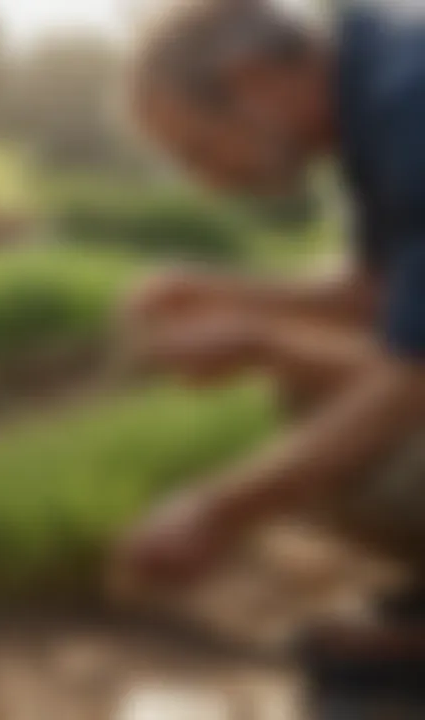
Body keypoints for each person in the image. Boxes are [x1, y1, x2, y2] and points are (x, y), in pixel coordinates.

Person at [113, 0, 425, 690]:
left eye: (198, 148)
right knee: (316, 401)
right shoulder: (375, 92)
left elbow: (412, 374)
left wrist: (216, 510)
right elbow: (387, 295)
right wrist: (234, 296)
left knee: (349, 440)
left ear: (252, 81)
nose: (206, 181)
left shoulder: (409, 104)